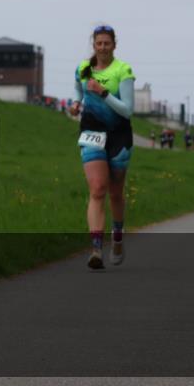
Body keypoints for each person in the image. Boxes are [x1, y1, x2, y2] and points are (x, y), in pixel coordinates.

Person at [68, 25, 135, 270]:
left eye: (107, 43)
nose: (103, 47)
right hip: (92, 132)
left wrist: (103, 92)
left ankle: (117, 237)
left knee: (115, 192)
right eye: (99, 43)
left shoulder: (123, 70)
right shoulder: (83, 68)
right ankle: (96, 248)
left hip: (118, 135)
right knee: (97, 189)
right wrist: (76, 103)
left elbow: (127, 110)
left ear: (114, 45)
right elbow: (78, 89)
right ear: (93, 44)